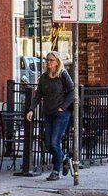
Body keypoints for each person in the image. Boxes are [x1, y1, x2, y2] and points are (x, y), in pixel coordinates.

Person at [26, 52, 76, 180]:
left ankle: (55, 171)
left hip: (61, 114)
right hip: (48, 113)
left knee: (55, 142)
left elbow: (72, 92)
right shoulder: (43, 77)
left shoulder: (63, 75)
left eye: (52, 60)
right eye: (47, 60)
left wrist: (62, 107)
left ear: (57, 62)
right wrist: (31, 109)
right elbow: (38, 95)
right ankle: (65, 159)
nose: (49, 62)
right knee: (48, 144)